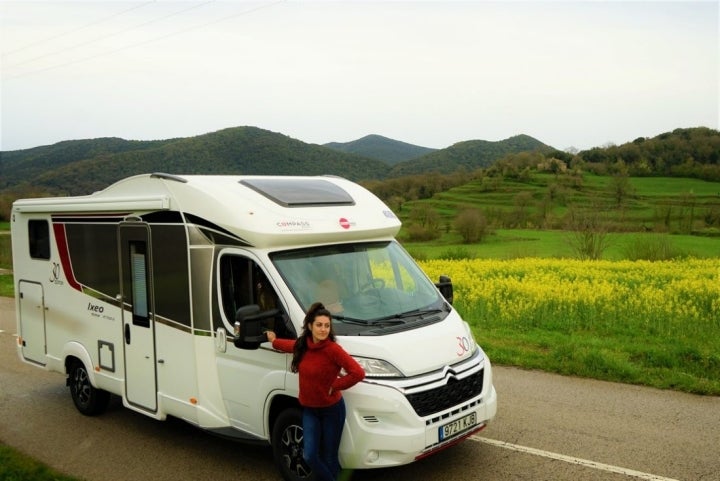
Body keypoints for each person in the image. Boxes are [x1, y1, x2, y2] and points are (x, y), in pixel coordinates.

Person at [266, 302, 365, 481]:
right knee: (309, 455)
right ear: (310, 326)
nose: (323, 329)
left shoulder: (333, 350)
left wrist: (335, 385)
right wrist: (273, 341)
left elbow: (358, 373)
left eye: (327, 326)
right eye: (319, 325)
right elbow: (287, 345)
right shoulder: (303, 346)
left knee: (329, 456)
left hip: (332, 410)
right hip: (310, 410)